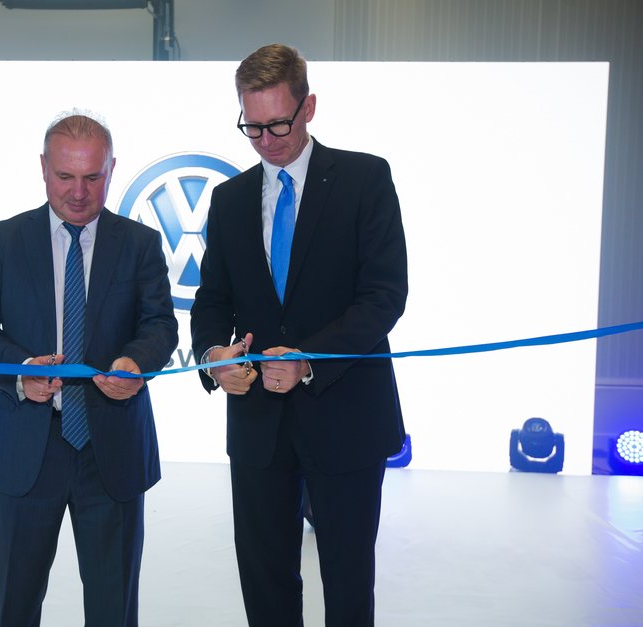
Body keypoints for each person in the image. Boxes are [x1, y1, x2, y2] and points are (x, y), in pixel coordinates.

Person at [190, 44, 408, 626]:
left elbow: (384, 295)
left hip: (347, 418)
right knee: (264, 583)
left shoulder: (365, 179)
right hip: (257, 426)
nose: (266, 140)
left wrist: (310, 361)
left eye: (279, 124)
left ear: (309, 107)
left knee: (348, 583)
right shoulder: (229, 199)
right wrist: (213, 355)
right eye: (252, 127)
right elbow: (212, 301)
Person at [0, 112, 177, 627]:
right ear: (42, 168)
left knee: (113, 609)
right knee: (15, 604)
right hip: (25, 450)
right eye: (64, 176)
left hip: (112, 452)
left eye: (92, 177)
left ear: (112, 169)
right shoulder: (4, 240)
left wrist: (135, 363)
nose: (78, 193)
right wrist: (20, 371)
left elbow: (160, 327)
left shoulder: (140, 244)